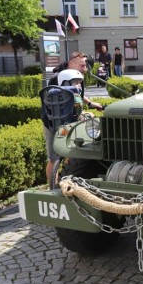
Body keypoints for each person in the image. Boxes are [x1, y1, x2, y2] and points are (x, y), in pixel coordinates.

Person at [42, 51, 102, 184]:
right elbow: (57, 102)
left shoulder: (75, 77)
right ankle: (52, 186)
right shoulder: (58, 78)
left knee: (75, 151)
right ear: (71, 63)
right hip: (54, 122)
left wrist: (90, 103)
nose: (85, 68)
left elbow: (76, 95)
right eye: (82, 65)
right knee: (53, 158)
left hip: (69, 120)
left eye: (85, 65)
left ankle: (68, 178)